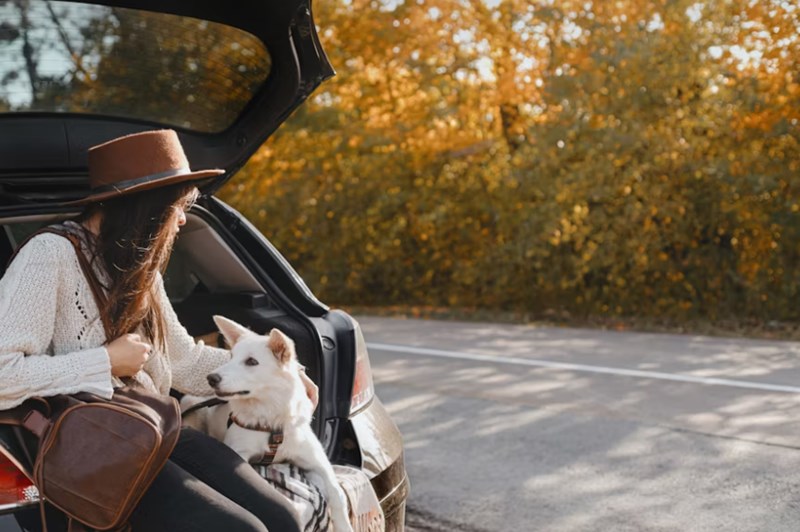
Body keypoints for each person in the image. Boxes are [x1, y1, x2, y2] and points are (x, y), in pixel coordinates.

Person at [0, 130, 313, 532]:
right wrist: (106, 361)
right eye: (179, 207)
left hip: (153, 426)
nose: (183, 219)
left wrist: (280, 371)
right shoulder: (49, 256)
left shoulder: (139, 268)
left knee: (283, 518)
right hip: (93, 445)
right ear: (147, 207)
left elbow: (185, 360)